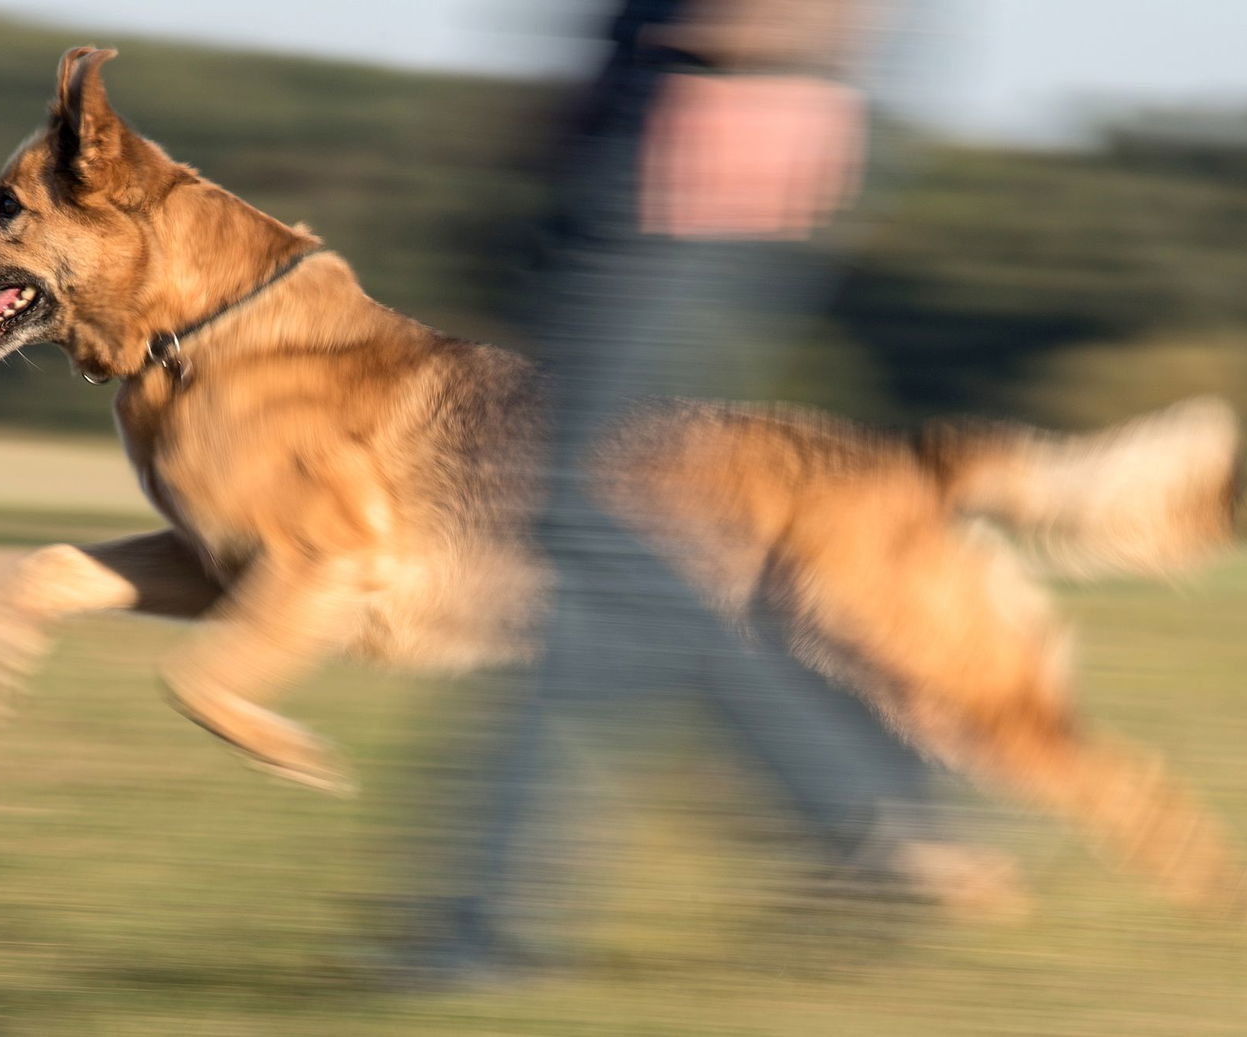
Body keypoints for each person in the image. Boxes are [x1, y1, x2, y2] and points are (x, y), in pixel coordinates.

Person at [411, 0, 1017, 983]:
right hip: (642, 99)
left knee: (577, 512)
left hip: (714, 105)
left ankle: (863, 802)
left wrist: (773, 52)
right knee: (571, 523)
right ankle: (479, 926)